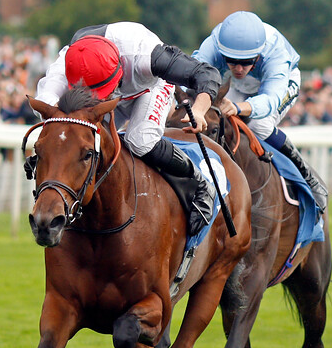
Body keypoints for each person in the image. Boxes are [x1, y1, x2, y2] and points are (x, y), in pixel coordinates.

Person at [35, 22, 223, 235]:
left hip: (150, 86)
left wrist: (199, 110)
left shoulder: (149, 57)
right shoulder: (63, 68)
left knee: (140, 140)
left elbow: (207, 74)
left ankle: (199, 183)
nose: (101, 99)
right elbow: (49, 115)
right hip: (99, 93)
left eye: (103, 92)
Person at [193, 11, 327, 212]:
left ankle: (306, 173)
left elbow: (271, 100)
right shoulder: (214, 44)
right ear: (222, 51)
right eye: (231, 60)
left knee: (258, 124)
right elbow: (193, 76)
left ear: (258, 54)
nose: (238, 68)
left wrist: (239, 108)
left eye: (246, 62)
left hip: (280, 84)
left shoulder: (275, 52)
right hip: (240, 86)